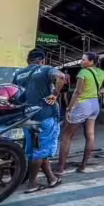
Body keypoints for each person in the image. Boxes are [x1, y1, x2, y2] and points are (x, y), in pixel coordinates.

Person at [13, 49, 65, 193]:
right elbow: (61, 76)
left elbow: (16, 95)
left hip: (27, 118)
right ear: (42, 60)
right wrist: (55, 94)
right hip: (45, 115)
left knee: (36, 150)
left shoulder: (18, 74)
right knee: (41, 151)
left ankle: (51, 179)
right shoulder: (45, 69)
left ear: (28, 60)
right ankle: (32, 184)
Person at [56, 52, 104, 174]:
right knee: (90, 136)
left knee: (66, 136)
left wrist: (69, 108)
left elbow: (77, 92)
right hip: (94, 105)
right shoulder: (101, 72)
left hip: (82, 105)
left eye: (84, 60)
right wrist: (100, 91)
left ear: (91, 61)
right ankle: (83, 166)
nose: (81, 61)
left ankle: (60, 169)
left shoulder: (83, 72)